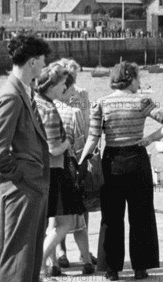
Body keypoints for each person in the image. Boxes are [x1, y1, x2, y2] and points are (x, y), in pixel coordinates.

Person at [79, 61, 163, 281]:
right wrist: (151, 138)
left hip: (112, 161)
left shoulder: (101, 103)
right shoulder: (142, 101)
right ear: (131, 79)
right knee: (141, 215)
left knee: (111, 217)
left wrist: (81, 161)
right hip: (137, 158)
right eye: (138, 79)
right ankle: (140, 267)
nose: (140, 82)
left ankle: (111, 269)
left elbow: (93, 138)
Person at [0, 34, 52, 282]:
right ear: (34, 61)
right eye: (43, 61)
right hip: (22, 189)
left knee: (31, 257)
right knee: (17, 257)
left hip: (32, 187)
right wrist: (21, 175)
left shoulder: (22, 91)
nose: (45, 66)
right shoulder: (11, 95)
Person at [34, 64, 87, 282]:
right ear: (53, 85)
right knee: (64, 224)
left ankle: (43, 268)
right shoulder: (48, 109)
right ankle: (38, 269)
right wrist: (68, 142)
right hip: (56, 169)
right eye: (62, 84)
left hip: (43, 171)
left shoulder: (36, 102)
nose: (65, 87)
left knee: (51, 225)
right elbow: (54, 148)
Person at [51, 58, 96, 269]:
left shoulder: (79, 95)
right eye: (72, 76)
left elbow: (86, 125)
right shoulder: (67, 97)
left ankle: (73, 252)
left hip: (73, 154)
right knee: (69, 208)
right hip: (71, 153)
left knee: (72, 207)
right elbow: (85, 127)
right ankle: (70, 253)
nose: (74, 80)